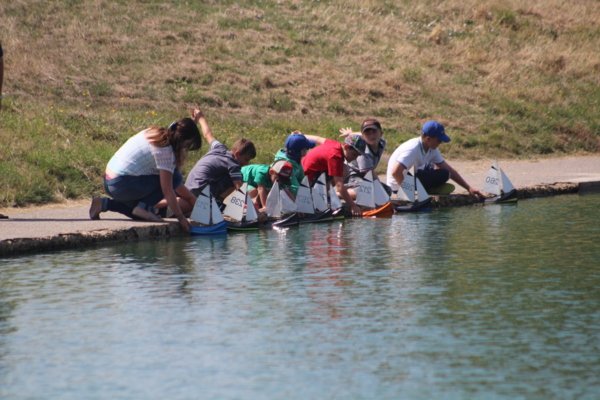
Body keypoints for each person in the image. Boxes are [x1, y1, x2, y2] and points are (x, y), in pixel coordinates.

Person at [88, 113, 201, 232]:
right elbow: (168, 189)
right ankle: (144, 208)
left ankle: (103, 204)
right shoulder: (165, 151)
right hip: (121, 183)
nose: (186, 150)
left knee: (137, 214)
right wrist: (181, 218)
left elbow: (178, 187)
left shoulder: (154, 132)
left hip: (110, 181)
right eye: (187, 146)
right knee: (173, 178)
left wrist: (191, 198)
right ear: (182, 141)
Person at [386, 120, 483, 197]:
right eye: (439, 140)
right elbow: (395, 172)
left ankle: (425, 189)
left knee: (445, 173)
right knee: (433, 171)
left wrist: (468, 188)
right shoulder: (412, 149)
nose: (440, 143)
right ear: (428, 139)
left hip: (411, 178)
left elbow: (449, 170)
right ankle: (423, 190)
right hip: (397, 186)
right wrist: (409, 193)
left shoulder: (432, 148)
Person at [185, 108, 256, 201]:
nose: (247, 164)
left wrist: (200, 117)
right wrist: (255, 211)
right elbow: (240, 189)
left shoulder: (219, 148)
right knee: (235, 179)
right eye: (246, 159)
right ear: (237, 154)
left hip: (189, 185)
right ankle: (217, 204)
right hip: (201, 190)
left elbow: (207, 134)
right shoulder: (233, 164)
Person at [301, 134, 367, 217]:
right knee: (340, 171)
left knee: (344, 169)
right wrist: (353, 206)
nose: (355, 158)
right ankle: (316, 199)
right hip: (307, 181)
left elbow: (317, 138)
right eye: (354, 154)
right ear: (346, 147)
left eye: (357, 156)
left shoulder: (335, 144)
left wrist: (302, 135)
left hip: (307, 170)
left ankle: (325, 195)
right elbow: (339, 186)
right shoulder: (336, 157)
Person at [339, 118, 387, 195]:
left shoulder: (382, 142)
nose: (371, 135)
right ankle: (339, 194)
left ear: (381, 133)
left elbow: (360, 134)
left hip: (362, 176)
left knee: (387, 190)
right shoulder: (364, 152)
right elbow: (370, 175)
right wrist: (382, 194)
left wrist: (351, 133)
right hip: (351, 175)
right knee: (370, 191)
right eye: (367, 133)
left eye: (374, 132)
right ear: (363, 136)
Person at [272, 131, 315, 196]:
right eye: (307, 148)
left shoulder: (295, 159)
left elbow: (302, 179)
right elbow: (295, 189)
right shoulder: (285, 166)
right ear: (301, 151)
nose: (308, 150)